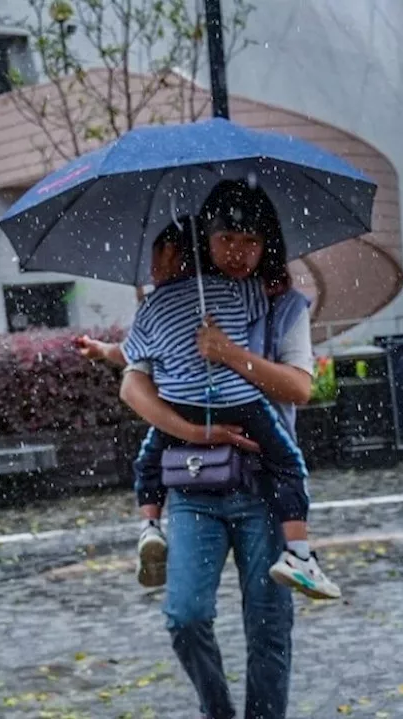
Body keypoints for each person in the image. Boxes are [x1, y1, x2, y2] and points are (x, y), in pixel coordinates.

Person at [77, 180, 319, 718]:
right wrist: (197, 433)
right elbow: (132, 386)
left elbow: (300, 388)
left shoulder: (281, 306)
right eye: (225, 237)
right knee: (184, 617)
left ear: (268, 244)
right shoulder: (178, 303)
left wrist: (231, 354)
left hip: (263, 491)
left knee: (268, 628)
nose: (238, 252)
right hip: (194, 485)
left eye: (251, 240)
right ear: (203, 240)